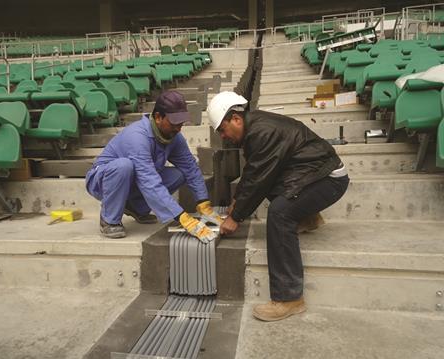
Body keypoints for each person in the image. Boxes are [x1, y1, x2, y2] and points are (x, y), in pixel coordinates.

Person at [207, 91, 349, 321]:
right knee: (270, 187)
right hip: (314, 175)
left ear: (235, 118)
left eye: (222, 129)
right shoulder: (256, 128)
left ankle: (289, 298)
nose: (223, 136)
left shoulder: (262, 132)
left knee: (280, 213)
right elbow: (254, 173)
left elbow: (258, 178)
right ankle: (307, 218)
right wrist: (236, 203)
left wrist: (235, 218)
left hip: (328, 179)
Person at [86, 90, 222, 240]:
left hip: (133, 180)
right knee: (124, 166)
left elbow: (190, 168)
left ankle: (135, 207)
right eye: (174, 123)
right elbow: (149, 181)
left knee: (180, 174)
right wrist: (181, 217)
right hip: (103, 180)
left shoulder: (174, 136)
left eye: (181, 123)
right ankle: (109, 219)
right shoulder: (137, 136)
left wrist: (203, 203)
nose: (178, 128)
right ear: (158, 117)